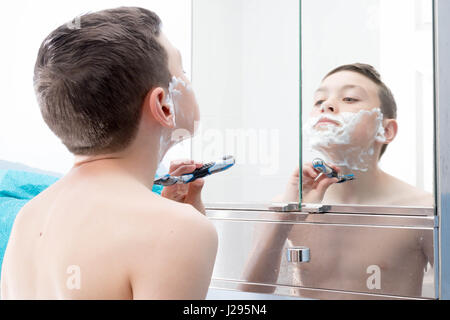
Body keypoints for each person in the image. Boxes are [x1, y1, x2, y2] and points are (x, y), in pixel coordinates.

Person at [1, 7, 217, 300]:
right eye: (183, 72)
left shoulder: (28, 218)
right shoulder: (180, 229)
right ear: (164, 105)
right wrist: (175, 224)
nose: (189, 80)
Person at [241, 64, 434, 299]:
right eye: (318, 100)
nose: (326, 105)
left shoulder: (421, 210)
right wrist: (284, 219)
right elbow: (250, 297)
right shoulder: (285, 206)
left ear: (386, 130)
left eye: (350, 98)